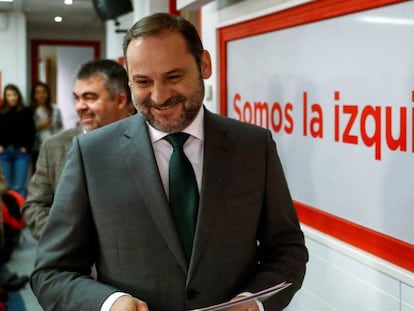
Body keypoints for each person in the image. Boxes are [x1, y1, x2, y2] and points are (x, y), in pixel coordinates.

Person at [31, 13, 308, 311]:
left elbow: (286, 249)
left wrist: (252, 303)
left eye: (173, 77)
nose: (159, 96)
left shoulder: (253, 146)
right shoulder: (92, 154)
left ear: (204, 64)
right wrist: (109, 304)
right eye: (142, 82)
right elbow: (51, 273)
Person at [21, 59, 135, 241]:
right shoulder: (54, 147)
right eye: (77, 98)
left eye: (90, 97)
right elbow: (34, 205)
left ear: (120, 100)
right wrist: (65, 239)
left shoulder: (148, 139)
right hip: (72, 262)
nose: (80, 107)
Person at [0, 84, 36, 197]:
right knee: (7, 187)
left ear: (18, 96)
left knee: (19, 186)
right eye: (9, 95)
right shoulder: (1, 112)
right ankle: (9, 214)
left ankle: (21, 214)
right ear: (5, 97)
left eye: (14, 94)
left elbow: (31, 131)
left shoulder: (26, 111)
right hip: (4, 153)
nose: (12, 98)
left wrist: (26, 147)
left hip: (21, 153)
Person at [29, 81, 63, 168]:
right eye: (38, 92)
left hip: (54, 146)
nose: (42, 95)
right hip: (38, 148)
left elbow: (60, 127)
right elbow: (26, 131)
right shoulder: (30, 111)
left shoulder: (55, 109)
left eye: (44, 92)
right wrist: (38, 126)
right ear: (34, 95)